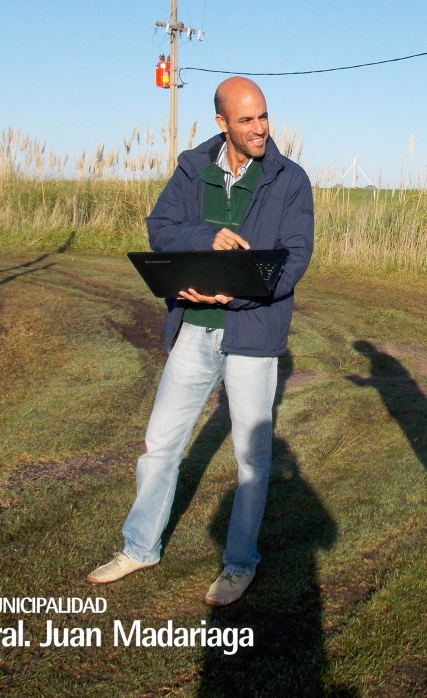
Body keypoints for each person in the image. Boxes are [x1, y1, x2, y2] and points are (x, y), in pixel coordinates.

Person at [87, 77, 314, 608]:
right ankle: (139, 547)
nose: (259, 129)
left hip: (252, 336)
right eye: (247, 120)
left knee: (251, 460)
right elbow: (160, 226)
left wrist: (229, 295)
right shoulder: (193, 166)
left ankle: (239, 563)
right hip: (192, 329)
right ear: (222, 124)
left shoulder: (290, 180)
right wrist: (202, 241)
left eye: (263, 116)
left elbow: (295, 258)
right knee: (160, 443)